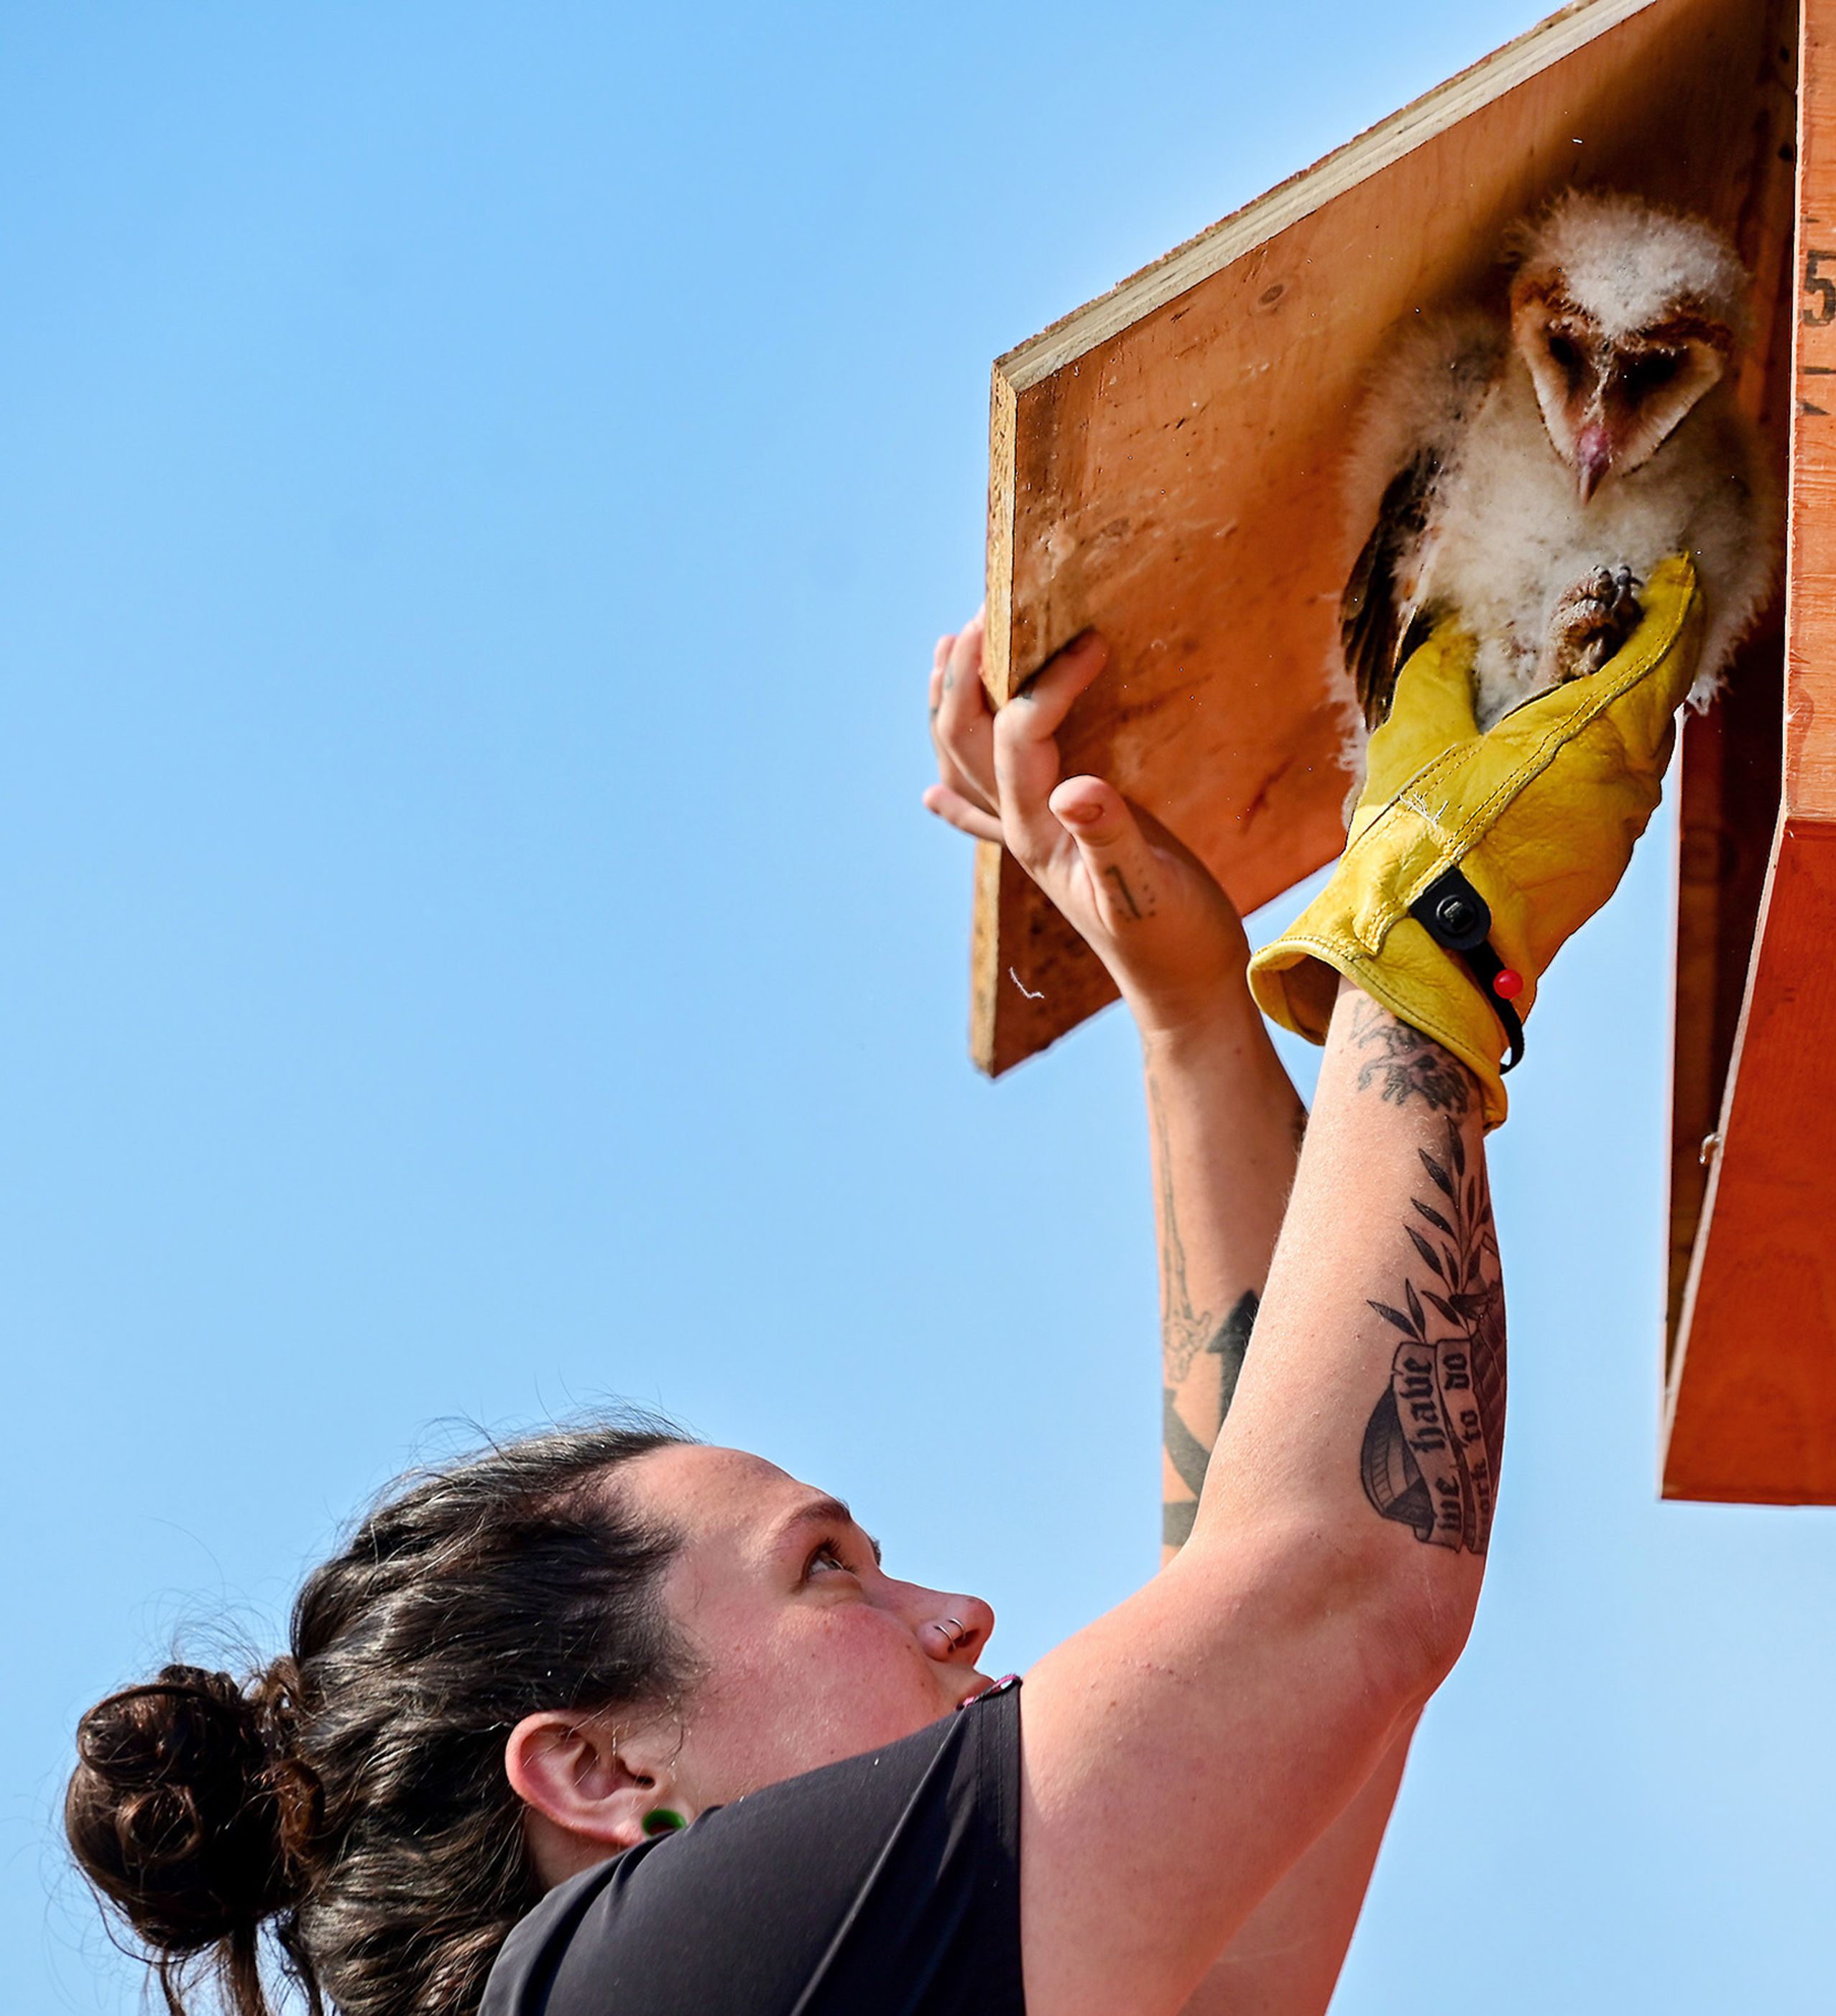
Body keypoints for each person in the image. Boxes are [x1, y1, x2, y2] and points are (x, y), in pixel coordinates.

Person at [65, 563, 1707, 2016]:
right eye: (827, 1567)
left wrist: (1199, 1018)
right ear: (596, 1769)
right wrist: (1425, 929)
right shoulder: (630, 1983)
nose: (960, 1612)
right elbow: (1333, 1590)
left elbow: (1275, 1707)